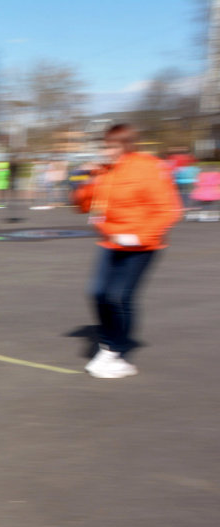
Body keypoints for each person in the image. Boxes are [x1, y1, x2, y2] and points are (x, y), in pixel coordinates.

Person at [74, 124, 181, 379]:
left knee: (119, 296)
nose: (107, 151)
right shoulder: (104, 171)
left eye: (112, 146)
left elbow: (168, 209)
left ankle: (115, 351)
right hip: (111, 241)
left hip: (141, 244)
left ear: (127, 145)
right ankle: (110, 345)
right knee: (98, 292)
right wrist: (86, 180)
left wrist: (139, 236)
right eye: (105, 145)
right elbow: (84, 206)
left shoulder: (148, 167)